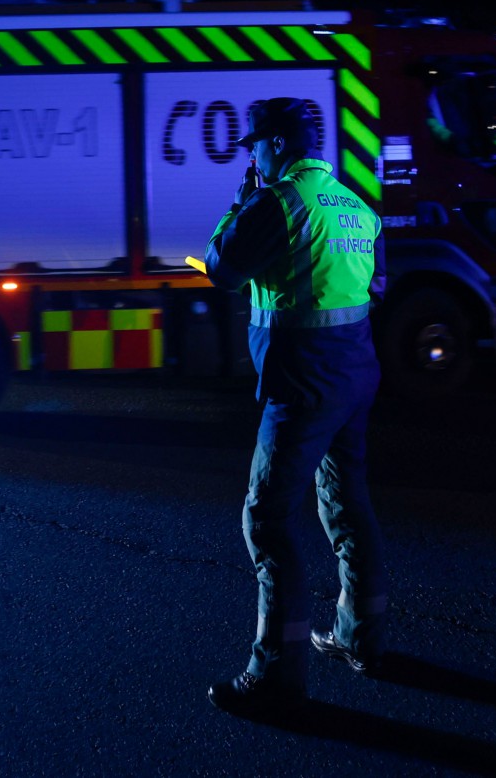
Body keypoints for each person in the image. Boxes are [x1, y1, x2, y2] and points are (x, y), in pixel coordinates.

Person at [203, 97, 389, 715]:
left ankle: (276, 676)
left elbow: (222, 269)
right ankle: (361, 638)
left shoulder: (277, 204)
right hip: (355, 375)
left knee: (267, 519)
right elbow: (374, 286)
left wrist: (239, 203)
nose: (253, 157)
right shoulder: (355, 205)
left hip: (302, 385)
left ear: (277, 144)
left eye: (255, 145)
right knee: (347, 502)